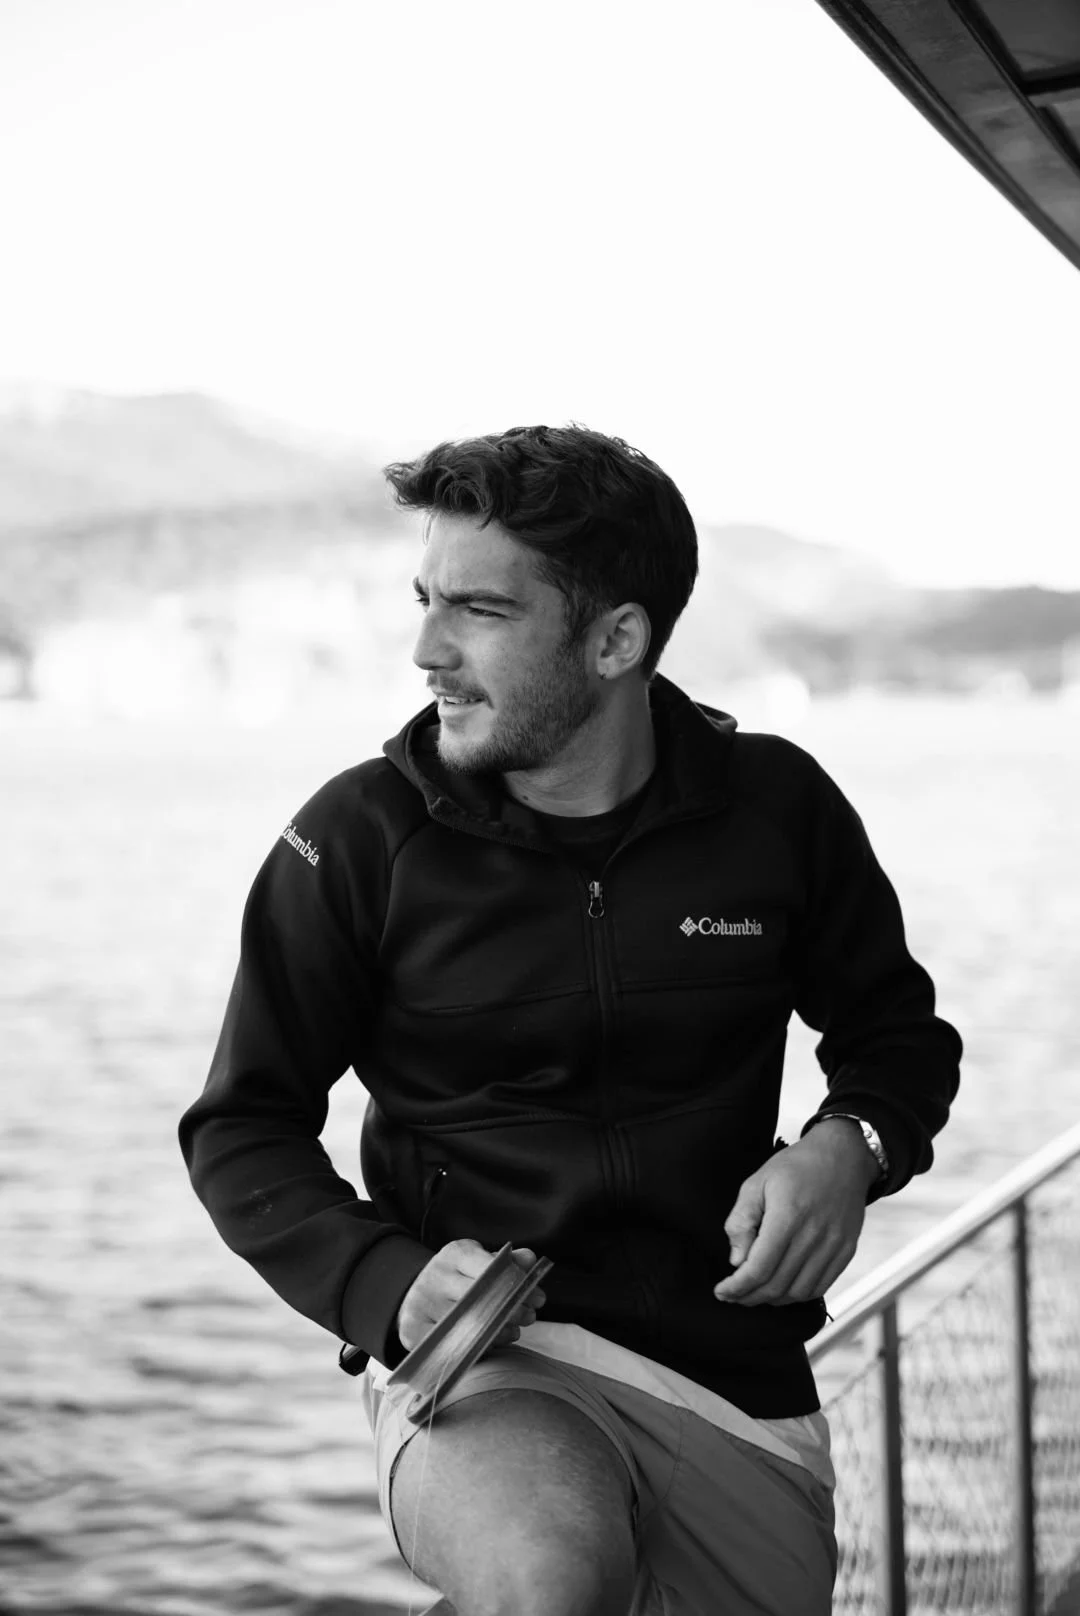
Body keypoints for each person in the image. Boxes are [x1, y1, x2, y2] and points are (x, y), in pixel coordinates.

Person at [179, 424, 961, 1616]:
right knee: (551, 1581)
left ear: (615, 639)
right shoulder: (356, 838)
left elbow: (899, 1037)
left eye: (479, 612)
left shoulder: (777, 808)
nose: (426, 648)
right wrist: (384, 1280)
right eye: (425, 599)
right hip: (492, 1363)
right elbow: (241, 1125)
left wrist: (848, 1145)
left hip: (738, 1383)